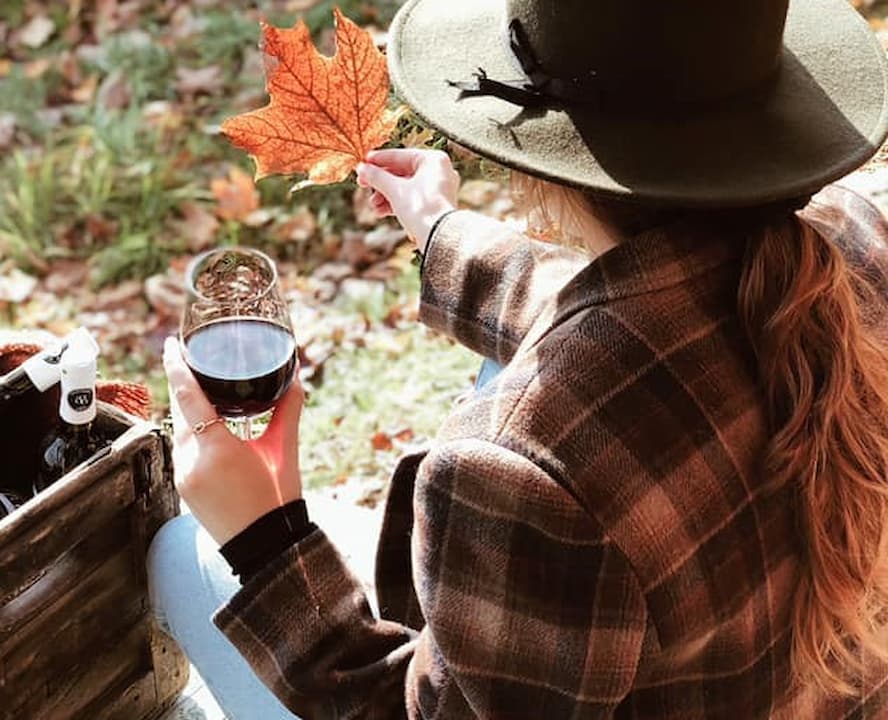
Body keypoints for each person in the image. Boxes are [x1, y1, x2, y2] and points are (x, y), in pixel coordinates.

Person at [148, 0, 888, 716]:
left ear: (542, 156)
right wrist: (439, 230)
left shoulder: (522, 476)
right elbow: (657, 309)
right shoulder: (852, 247)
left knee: (180, 556)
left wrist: (267, 537)